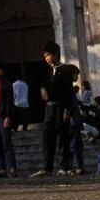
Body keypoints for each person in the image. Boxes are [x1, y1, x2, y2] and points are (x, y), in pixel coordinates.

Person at [30, 42, 81, 177]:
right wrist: (42, 89)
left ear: (56, 55)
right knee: (47, 137)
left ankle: (64, 167)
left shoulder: (65, 70)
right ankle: (47, 167)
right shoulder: (47, 71)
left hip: (61, 106)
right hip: (50, 107)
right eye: (45, 56)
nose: (47, 58)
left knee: (63, 137)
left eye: (49, 55)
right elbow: (42, 84)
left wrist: (67, 110)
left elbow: (68, 92)